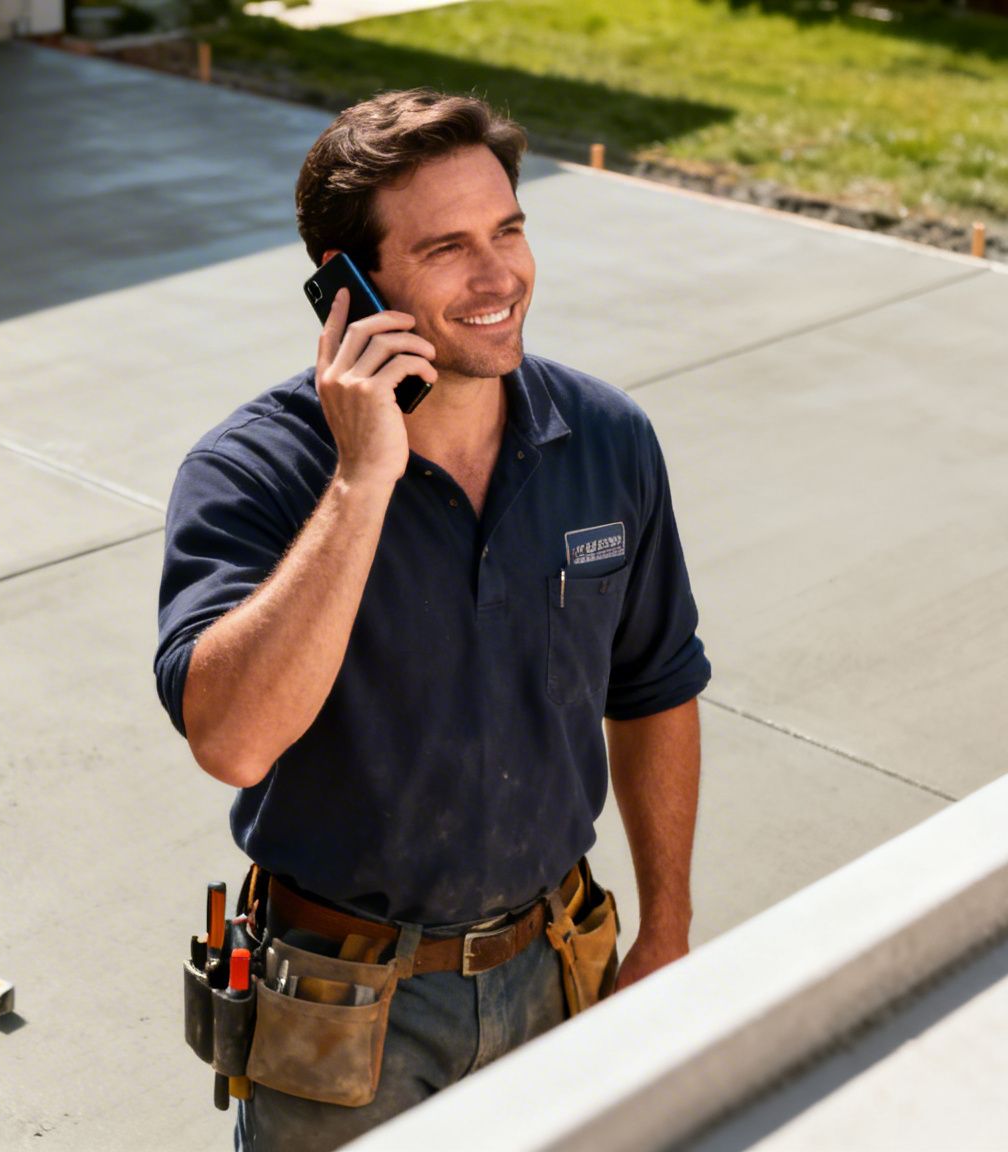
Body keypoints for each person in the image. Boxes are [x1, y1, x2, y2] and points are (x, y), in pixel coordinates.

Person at [155, 89, 710, 1151]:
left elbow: (653, 689)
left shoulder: (605, 440)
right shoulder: (250, 475)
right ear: (346, 283)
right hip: (341, 1011)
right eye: (446, 248)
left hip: (558, 968)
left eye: (507, 230)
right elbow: (229, 740)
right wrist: (363, 477)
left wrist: (666, 930)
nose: (498, 277)